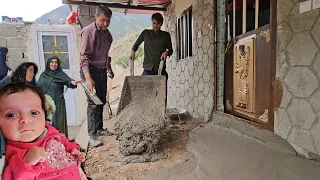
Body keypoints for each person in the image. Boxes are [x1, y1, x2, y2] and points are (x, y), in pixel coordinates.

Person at [0, 82, 87, 180]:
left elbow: (65, 142)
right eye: (11, 115)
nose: (25, 119)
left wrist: (73, 149)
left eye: (33, 113)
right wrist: (27, 163)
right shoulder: (13, 152)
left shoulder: (49, 131)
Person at [80, 5, 114, 147]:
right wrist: (88, 78)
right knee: (93, 102)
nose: (105, 23)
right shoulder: (89, 32)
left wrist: (109, 68)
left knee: (102, 100)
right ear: (96, 17)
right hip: (89, 71)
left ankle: (99, 129)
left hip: (101, 71)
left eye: (108, 21)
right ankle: (92, 135)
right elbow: (84, 57)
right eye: (103, 20)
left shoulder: (108, 35)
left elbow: (105, 55)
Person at [129, 13, 173, 106]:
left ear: (161, 24)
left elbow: (171, 50)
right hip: (148, 70)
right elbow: (136, 45)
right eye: (153, 23)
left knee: (161, 95)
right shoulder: (146, 33)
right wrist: (133, 51)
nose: (155, 26)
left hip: (160, 70)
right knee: (144, 94)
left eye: (157, 23)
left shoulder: (166, 35)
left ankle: (161, 115)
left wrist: (167, 52)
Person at [38, 56, 82, 138]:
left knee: (58, 123)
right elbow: (38, 88)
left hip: (57, 102)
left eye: (56, 62)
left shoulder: (60, 74)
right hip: (45, 104)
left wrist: (73, 83)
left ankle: (61, 143)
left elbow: (68, 81)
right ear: (48, 63)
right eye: (52, 62)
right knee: (47, 124)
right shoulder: (43, 75)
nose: (54, 64)